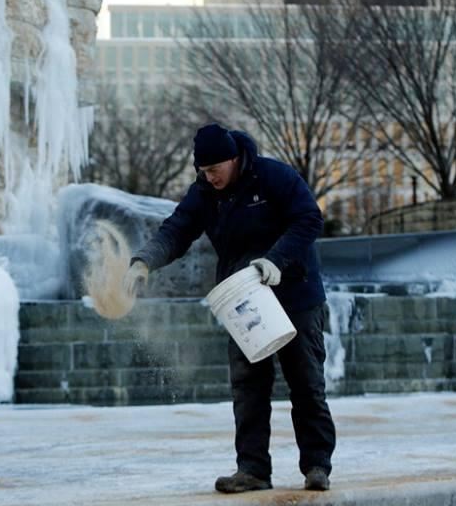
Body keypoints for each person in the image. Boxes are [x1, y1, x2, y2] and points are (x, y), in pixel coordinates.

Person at [124, 123, 335, 493]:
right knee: (248, 387)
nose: (209, 177)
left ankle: (316, 465)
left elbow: (309, 218)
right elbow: (176, 230)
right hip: (244, 299)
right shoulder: (205, 192)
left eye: (214, 169)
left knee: (306, 383)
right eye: (203, 171)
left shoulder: (273, 177)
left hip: (294, 292)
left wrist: (276, 261)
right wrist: (143, 261)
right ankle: (253, 470)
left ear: (233, 159)